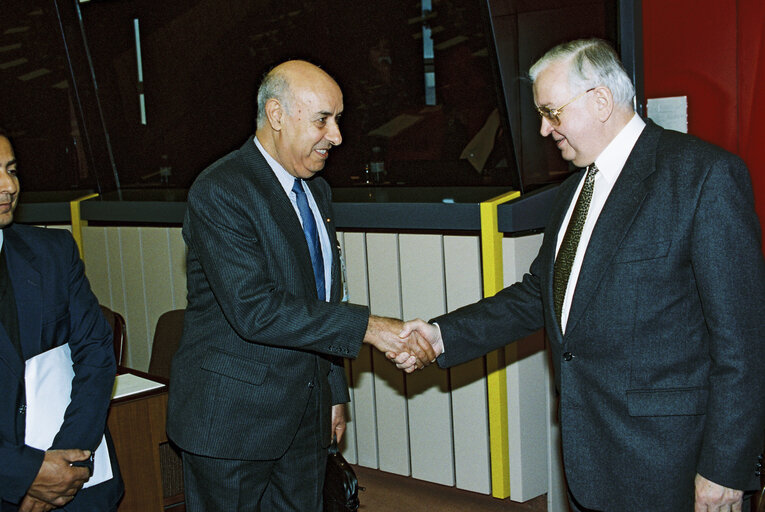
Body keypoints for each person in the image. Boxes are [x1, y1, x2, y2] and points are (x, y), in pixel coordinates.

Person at [398, 39, 765, 511]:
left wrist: (724, 469)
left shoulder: (703, 177)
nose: (546, 130)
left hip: (675, 465)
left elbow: (744, 345)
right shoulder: (573, 191)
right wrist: (439, 334)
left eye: (552, 112)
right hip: (592, 458)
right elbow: (539, 295)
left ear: (600, 100)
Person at [166, 60, 433, 512]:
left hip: (304, 419)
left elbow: (324, 299)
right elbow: (256, 309)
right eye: (322, 120)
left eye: (338, 120)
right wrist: (371, 327)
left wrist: (333, 392)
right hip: (233, 421)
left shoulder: (317, 192)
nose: (337, 136)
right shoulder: (221, 189)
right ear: (276, 115)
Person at [0, 130, 123, 512]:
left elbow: (96, 353)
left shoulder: (52, 252)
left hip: (75, 484)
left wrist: (65, 463)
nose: (8, 186)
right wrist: (24, 473)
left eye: (11, 170)